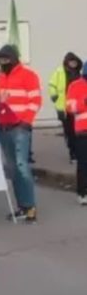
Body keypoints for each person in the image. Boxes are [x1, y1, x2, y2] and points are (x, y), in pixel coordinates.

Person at [0, 45, 41, 222]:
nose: (3, 63)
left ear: (13, 58)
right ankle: (22, 206)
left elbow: (36, 100)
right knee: (13, 169)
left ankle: (30, 207)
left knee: (22, 167)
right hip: (3, 128)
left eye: (6, 59)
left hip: (19, 128)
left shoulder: (28, 75)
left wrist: (26, 121)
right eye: (0, 60)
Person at [49, 53, 82, 163]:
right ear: (67, 62)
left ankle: (77, 152)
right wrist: (54, 95)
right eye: (71, 62)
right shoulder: (59, 72)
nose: (73, 64)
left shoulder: (79, 74)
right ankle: (72, 152)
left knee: (78, 132)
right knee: (69, 132)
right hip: (63, 107)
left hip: (77, 108)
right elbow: (52, 85)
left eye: (75, 62)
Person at [66, 64, 87, 205]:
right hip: (83, 132)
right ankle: (82, 193)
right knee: (84, 164)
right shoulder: (75, 86)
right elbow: (69, 107)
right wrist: (83, 102)